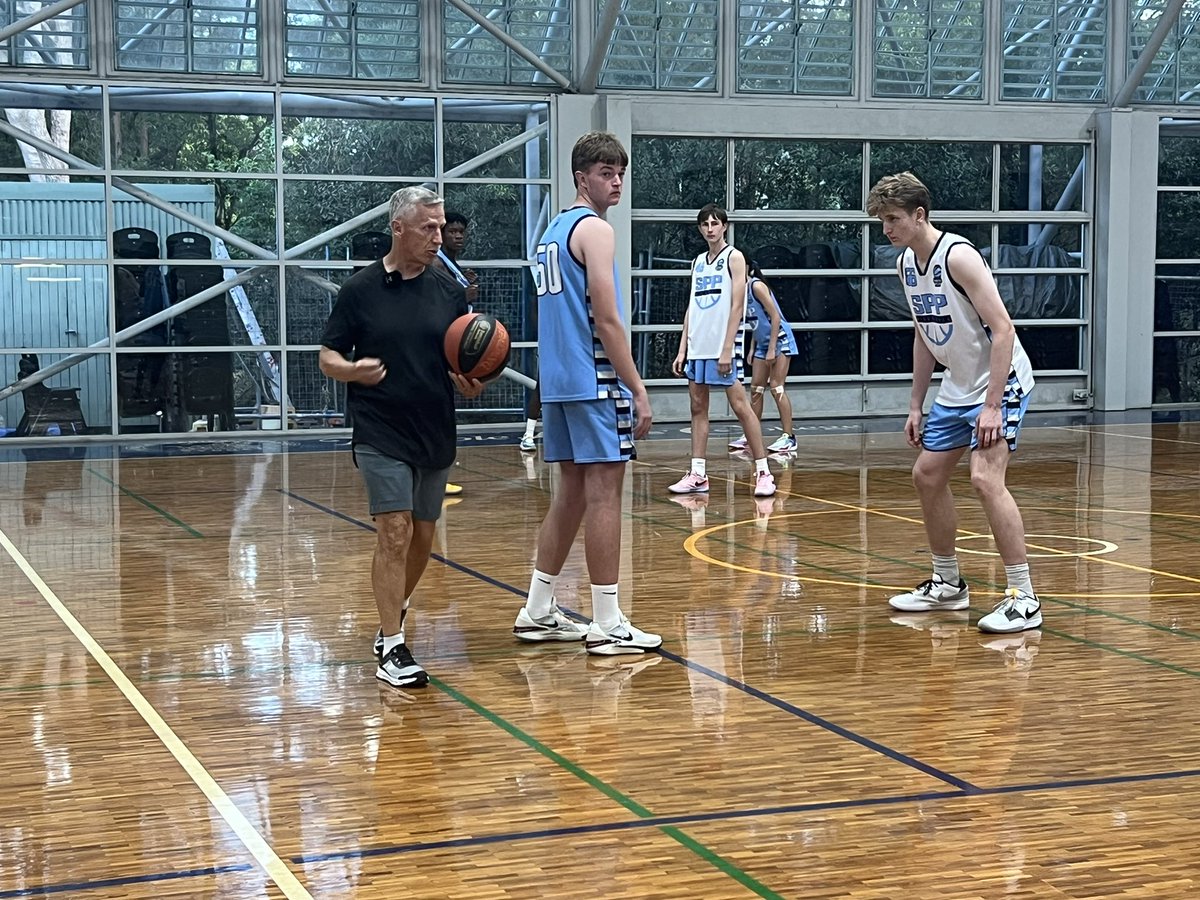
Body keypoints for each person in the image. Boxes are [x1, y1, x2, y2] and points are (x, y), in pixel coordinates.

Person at [319, 186, 484, 688]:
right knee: (394, 530)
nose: (440, 237)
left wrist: (473, 381)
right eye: (428, 228)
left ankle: (396, 609)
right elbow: (327, 355)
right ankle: (393, 646)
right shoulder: (359, 290)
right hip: (379, 428)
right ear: (399, 229)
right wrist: (352, 371)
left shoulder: (449, 291)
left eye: (441, 228)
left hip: (434, 425)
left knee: (423, 538)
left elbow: (464, 355)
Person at [867, 171, 1040, 635]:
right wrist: (915, 404)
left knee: (985, 478)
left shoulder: (958, 257)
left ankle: (1024, 598)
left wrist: (992, 406)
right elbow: (925, 334)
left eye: (893, 219)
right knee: (926, 475)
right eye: (882, 221)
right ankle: (948, 584)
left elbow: (1004, 330)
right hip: (957, 386)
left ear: (919, 215)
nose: (886, 229)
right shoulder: (906, 264)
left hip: (999, 384)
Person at [511, 130, 661, 656]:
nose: (615, 181)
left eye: (620, 172)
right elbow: (607, 318)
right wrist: (637, 387)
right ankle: (607, 621)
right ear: (581, 178)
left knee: (570, 495)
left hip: (556, 384)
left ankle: (537, 608)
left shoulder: (551, 231)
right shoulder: (594, 231)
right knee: (604, 496)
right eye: (605, 173)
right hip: (594, 379)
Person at [669, 205, 775, 498]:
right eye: (705, 224)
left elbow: (738, 305)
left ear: (724, 226)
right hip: (698, 345)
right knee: (697, 407)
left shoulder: (734, 257)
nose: (710, 228)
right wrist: (682, 348)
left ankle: (764, 471)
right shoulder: (697, 263)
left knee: (741, 407)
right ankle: (698, 473)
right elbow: (692, 306)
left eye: (715, 223)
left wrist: (728, 347)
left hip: (722, 345)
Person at [728, 259, 798, 454]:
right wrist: (753, 347)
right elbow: (756, 322)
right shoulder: (739, 292)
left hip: (780, 340)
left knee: (777, 386)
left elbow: (775, 317)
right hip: (762, 343)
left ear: (748, 268)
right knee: (756, 389)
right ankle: (752, 434)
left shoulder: (756, 285)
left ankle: (788, 437)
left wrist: (772, 348)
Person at [431, 211, 478, 496]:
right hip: (438, 346)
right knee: (438, 413)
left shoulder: (454, 265)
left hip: (452, 342)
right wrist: (463, 295)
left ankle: (437, 474)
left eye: (462, 231)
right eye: (452, 231)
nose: (458, 236)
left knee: (445, 412)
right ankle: (434, 476)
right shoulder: (437, 262)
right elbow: (434, 300)